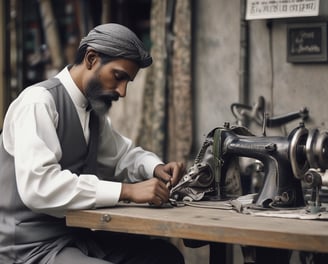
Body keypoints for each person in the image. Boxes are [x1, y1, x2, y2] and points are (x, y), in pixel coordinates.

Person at [0, 23, 185, 264]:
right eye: (118, 77)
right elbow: (39, 186)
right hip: (30, 248)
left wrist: (154, 168)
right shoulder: (38, 102)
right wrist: (127, 191)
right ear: (91, 58)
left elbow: (121, 156)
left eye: (127, 82)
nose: (122, 91)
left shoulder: (92, 111)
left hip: (75, 238)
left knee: (164, 256)